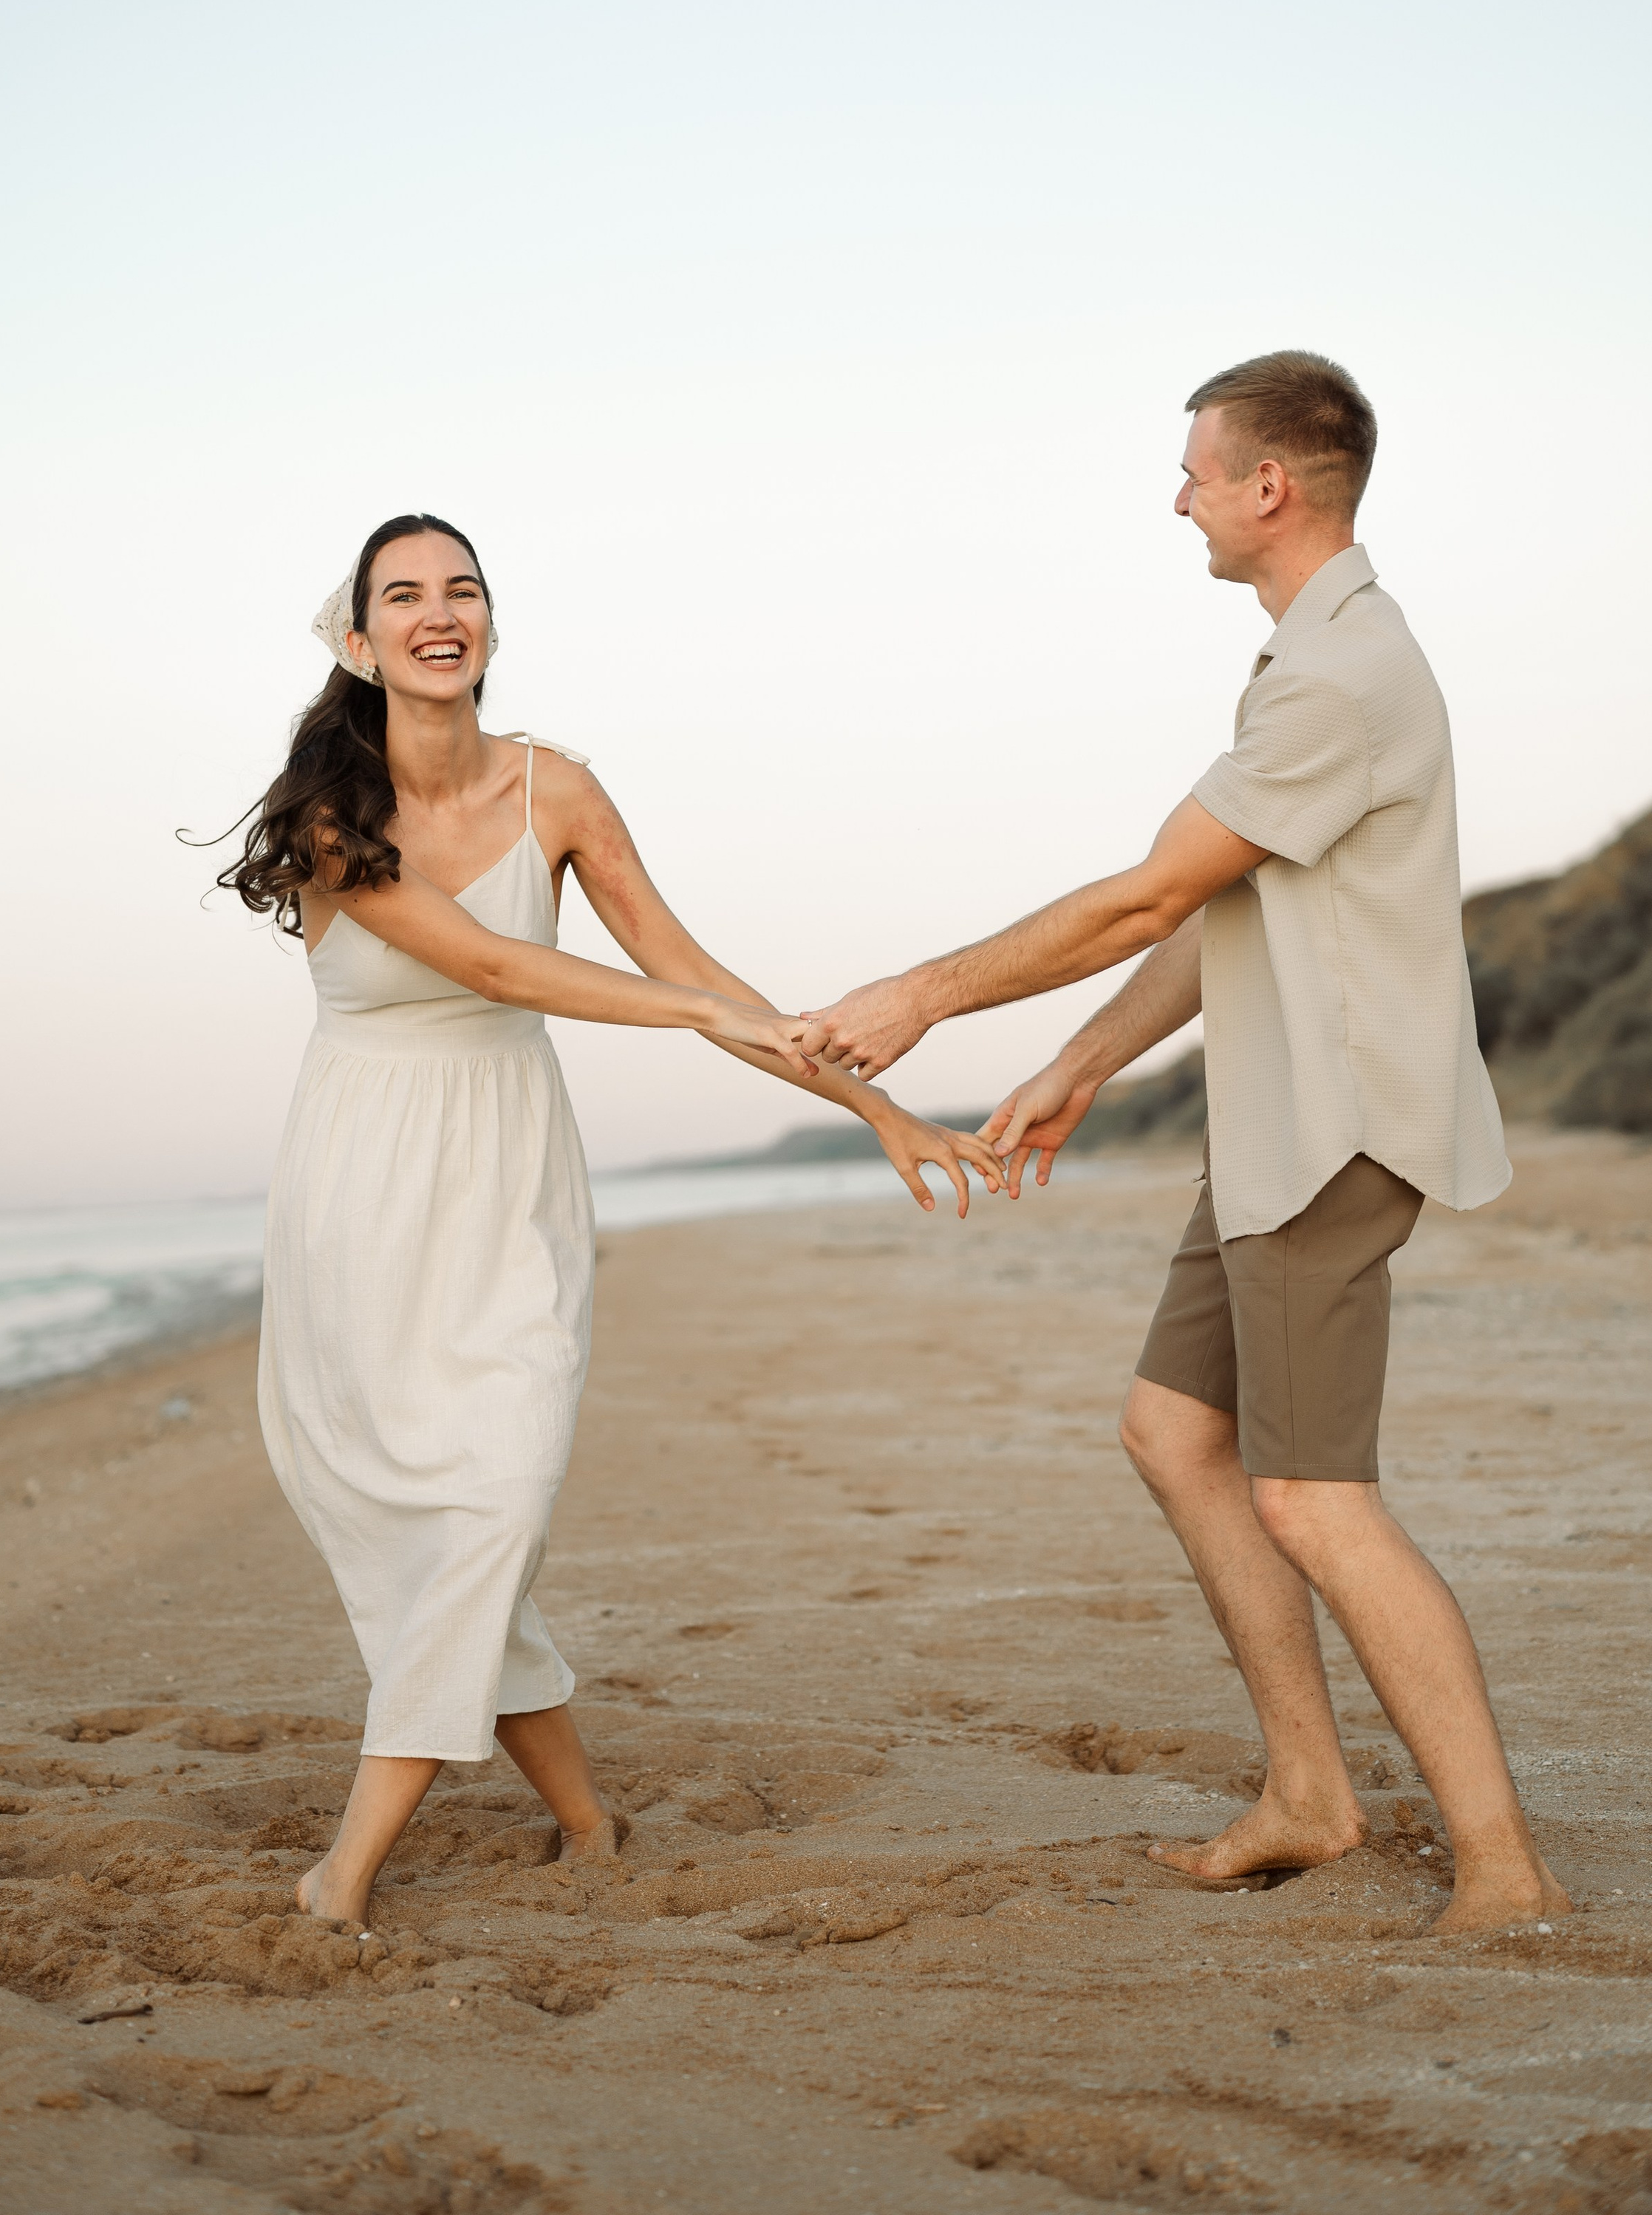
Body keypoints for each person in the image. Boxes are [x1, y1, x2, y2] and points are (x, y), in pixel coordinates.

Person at [802, 352, 1565, 1933]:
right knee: (1170, 1429)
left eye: (1195, 470)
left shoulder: (1342, 675)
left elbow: (1146, 891)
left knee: (1312, 1497)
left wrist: (925, 991)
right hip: (1276, 1123)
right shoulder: (1312, 659)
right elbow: (1224, 899)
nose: (1179, 497)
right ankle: (1305, 1791)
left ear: (1267, 486)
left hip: (1336, 1129)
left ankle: (1502, 1870)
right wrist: (1081, 1058)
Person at [218, 511, 998, 1928]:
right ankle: (587, 1821)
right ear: (359, 640)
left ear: (492, 627)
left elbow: (700, 974)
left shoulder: (558, 793)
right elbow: (492, 965)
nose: (438, 612)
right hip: (364, 1195)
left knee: (496, 1496)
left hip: (509, 1183)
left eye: (464, 590)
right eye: (404, 596)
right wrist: (690, 1011)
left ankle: (347, 1871)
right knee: (447, 1528)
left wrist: (873, 1107)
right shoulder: (333, 818)